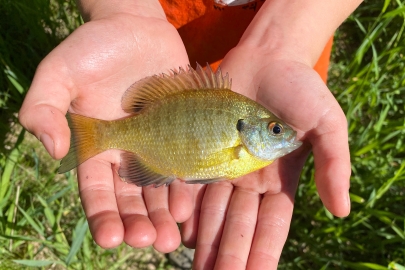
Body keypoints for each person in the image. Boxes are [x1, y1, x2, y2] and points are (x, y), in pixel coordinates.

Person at [19, 0, 362, 269]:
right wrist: (123, 7)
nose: (285, 134)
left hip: (276, 43)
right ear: (251, 128)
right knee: (184, 211)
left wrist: (287, 40)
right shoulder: (242, 146)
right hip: (162, 29)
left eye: (277, 129)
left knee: (197, 218)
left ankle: (188, 237)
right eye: (275, 129)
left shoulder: (250, 120)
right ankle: (186, 234)